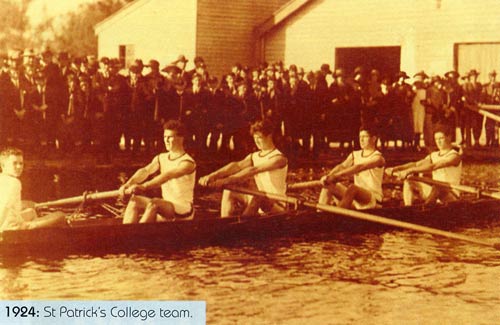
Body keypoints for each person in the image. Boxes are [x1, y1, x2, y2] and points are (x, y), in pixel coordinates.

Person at [198, 119, 288, 218]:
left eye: (259, 137)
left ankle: (241, 226)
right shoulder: (254, 156)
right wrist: (212, 175)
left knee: (258, 197)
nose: (256, 141)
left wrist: (225, 181)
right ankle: (225, 221)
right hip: (258, 200)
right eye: (254, 137)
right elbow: (236, 165)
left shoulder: (279, 158)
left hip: (277, 204)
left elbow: (254, 170)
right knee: (229, 191)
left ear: (269, 136)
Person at [119, 120, 196, 223]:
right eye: (165, 137)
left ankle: (136, 237)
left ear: (181, 138)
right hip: (167, 206)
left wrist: (143, 187)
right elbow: (145, 171)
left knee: (154, 203)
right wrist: (128, 184)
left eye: (170, 137)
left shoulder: (188, 163)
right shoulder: (161, 157)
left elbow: (167, 176)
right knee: (135, 201)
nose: (166, 140)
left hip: (183, 209)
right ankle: (126, 235)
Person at [385, 126, 462, 206]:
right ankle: (408, 209)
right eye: (436, 139)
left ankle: (424, 209)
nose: (438, 142)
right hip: (435, 193)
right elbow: (416, 164)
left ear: (449, 137)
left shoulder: (454, 156)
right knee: (409, 182)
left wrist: (410, 171)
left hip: (451, 195)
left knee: (439, 187)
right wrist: (395, 168)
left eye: (441, 138)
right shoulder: (434, 155)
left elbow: (433, 166)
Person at [318, 126, 385, 210]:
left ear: (373, 139)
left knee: (352, 188)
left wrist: (336, 176)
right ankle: (319, 214)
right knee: (329, 185)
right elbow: (341, 166)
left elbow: (360, 167)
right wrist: (328, 176)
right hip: (356, 199)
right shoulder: (355, 155)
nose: (361, 140)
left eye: (364, 137)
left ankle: (337, 217)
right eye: (360, 137)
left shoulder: (378, 158)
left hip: (372, 199)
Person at [0, 147, 66, 232]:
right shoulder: (14, 183)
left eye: (21, 163)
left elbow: (7, 202)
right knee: (60, 215)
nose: (19, 166)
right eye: (14, 163)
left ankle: (34, 230)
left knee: (31, 212)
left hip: (8, 221)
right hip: (11, 227)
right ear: (3, 165)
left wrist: (28, 203)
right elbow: (5, 207)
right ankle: (32, 231)